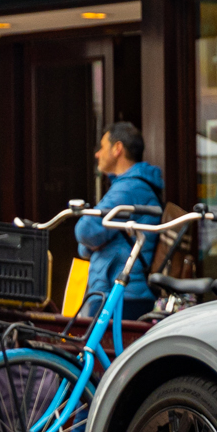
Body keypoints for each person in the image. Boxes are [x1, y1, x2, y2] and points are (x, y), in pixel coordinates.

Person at [75, 121, 164, 318]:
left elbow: (85, 231)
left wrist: (91, 244)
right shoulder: (133, 185)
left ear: (117, 149)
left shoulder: (129, 188)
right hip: (123, 291)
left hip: (121, 293)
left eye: (102, 147)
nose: (97, 154)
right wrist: (89, 244)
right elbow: (87, 241)